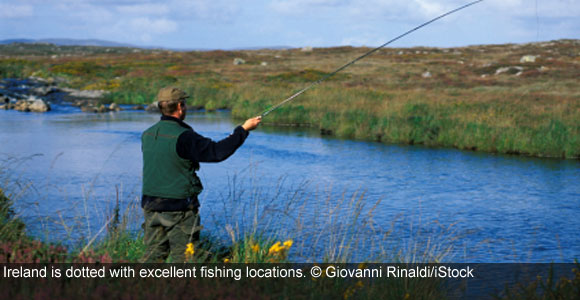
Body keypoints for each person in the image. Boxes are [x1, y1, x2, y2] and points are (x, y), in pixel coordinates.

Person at [140, 86, 261, 262]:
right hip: (178, 208)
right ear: (180, 106)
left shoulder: (147, 134)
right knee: (186, 259)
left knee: (153, 257)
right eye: (185, 104)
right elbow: (216, 152)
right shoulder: (184, 136)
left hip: (150, 206)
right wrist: (243, 130)